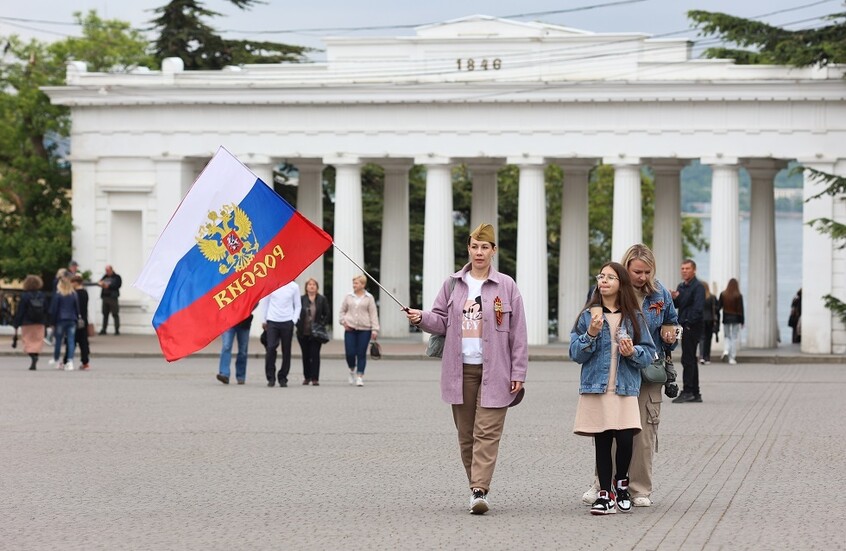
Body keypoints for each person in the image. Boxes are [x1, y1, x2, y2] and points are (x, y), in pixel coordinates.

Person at [406, 223, 527, 515]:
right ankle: (475, 485)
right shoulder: (453, 284)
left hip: (495, 372)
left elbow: (518, 332)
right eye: (475, 246)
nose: (479, 252)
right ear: (468, 249)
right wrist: (420, 317)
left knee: (487, 433)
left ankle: (479, 490)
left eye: (485, 247)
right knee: (467, 436)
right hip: (460, 372)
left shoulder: (506, 286)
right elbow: (440, 320)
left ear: (493, 251)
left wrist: (518, 373)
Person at [581, 244, 679, 509]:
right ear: (626, 268)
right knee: (609, 428)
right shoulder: (606, 288)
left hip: (647, 370)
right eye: (637, 271)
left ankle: (639, 488)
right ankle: (603, 484)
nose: (642, 277)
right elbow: (587, 321)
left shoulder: (660, 293)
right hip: (614, 371)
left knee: (644, 433)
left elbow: (672, 321)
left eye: (648, 272)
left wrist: (671, 334)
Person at [571, 261, 656, 515]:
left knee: (625, 438)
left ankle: (622, 484)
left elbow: (648, 353)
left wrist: (633, 352)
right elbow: (575, 353)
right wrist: (591, 335)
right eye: (601, 276)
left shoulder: (634, 316)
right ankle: (605, 495)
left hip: (625, 388)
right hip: (597, 388)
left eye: (610, 277)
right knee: (603, 439)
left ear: (621, 283)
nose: (603, 281)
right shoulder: (588, 316)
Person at [670, 259, 705, 403]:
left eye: (687, 268)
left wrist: (688, 323)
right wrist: (674, 298)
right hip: (684, 325)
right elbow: (679, 304)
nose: (684, 271)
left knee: (688, 359)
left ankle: (688, 391)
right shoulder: (682, 286)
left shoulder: (698, 287)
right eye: (682, 268)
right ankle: (695, 393)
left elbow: (698, 308)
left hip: (692, 326)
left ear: (694, 270)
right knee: (689, 359)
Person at [339, 274, 380, 387]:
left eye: (356, 283)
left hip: (365, 329)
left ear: (363, 284)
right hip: (350, 329)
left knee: (361, 353)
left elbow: (373, 314)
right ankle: (351, 370)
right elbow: (342, 311)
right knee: (350, 353)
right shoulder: (348, 296)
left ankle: (359, 376)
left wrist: (375, 330)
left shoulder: (369, 297)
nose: (354, 285)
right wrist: (343, 322)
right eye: (353, 283)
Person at [261, 281, 301, 388]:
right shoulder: (270, 284)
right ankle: (271, 377)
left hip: (287, 320)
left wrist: (294, 320)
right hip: (272, 320)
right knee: (270, 348)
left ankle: (283, 377)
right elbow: (265, 302)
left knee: (286, 350)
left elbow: (298, 305)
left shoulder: (294, 287)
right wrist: (264, 319)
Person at [296, 278, 330, 386]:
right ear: (306, 287)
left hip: (316, 333)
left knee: (315, 355)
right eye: (309, 284)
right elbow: (295, 312)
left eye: (314, 284)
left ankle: (315, 378)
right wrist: (297, 324)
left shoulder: (321, 299)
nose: (311, 286)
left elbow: (327, 313)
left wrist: (321, 324)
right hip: (303, 332)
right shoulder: (301, 299)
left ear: (317, 287)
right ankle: (307, 377)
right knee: (305, 355)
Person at [12, 275, 47, 370]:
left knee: (27, 341)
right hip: (40, 322)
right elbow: (46, 309)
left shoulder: (25, 296)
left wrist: (16, 323)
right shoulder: (42, 295)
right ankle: (36, 354)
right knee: (38, 340)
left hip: (27, 322)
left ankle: (32, 356)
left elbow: (21, 311)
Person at [50, 273, 80, 371]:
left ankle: (56, 360)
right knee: (71, 341)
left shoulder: (58, 295)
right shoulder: (74, 294)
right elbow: (77, 308)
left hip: (60, 320)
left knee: (58, 341)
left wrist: (52, 322)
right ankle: (70, 361)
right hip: (71, 319)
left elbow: (54, 309)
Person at [217, 313, 253, 385]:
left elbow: (254, 302)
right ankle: (224, 374)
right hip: (228, 320)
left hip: (244, 321)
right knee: (226, 346)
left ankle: (241, 376)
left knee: (243, 350)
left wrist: (248, 310)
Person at [64, 275, 91, 370]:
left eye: (72, 282)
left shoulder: (74, 294)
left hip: (74, 319)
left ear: (76, 282)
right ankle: (85, 361)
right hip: (83, 320)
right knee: (83, 342)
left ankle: (66, 361)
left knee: (71, 341)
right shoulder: (85, 293)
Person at [718, 278, 745, 365]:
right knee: (733, 337)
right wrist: (742, 321)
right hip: (736, 318)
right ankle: (732, 358)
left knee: (727, 336)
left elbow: (719, 307)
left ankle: (726, 350)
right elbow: (741, 309)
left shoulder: (723, 294)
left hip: (726, 318)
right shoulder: (738, 295)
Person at [98, 265, 122, 335]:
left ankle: (117, 329)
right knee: (105, 314)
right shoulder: (105, 276)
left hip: (113, 298)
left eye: (108, 270)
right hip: (105, 297)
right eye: (106, 270)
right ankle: (104, 329)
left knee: (115, 314)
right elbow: (100, 282)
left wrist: (109, 286)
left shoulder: (117, 277)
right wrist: (101, 283)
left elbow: (118, 285)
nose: (107, 272)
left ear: (111, 270)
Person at [700, 281, 719, 365]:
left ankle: (701, 356)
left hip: (701, 320)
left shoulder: (699, 297)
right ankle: (707, 357)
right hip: (710, 320)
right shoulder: (712, 297)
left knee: (702, 339)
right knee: (708, 339)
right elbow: (717, 309)